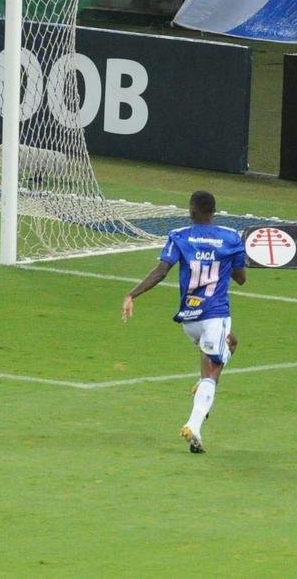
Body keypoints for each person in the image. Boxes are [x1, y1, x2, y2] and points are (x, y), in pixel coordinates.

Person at [121, 190, 246, 454]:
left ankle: (202, 400)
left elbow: (160, 271)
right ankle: (194, 425)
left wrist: (132, 294)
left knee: (231, 343)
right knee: (212, 372)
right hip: (215, 314)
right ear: (214, 211)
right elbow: (241, 278)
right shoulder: (231, 237)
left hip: (189, 319)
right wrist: (234, 261)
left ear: (192, 211)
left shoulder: (179, 236)